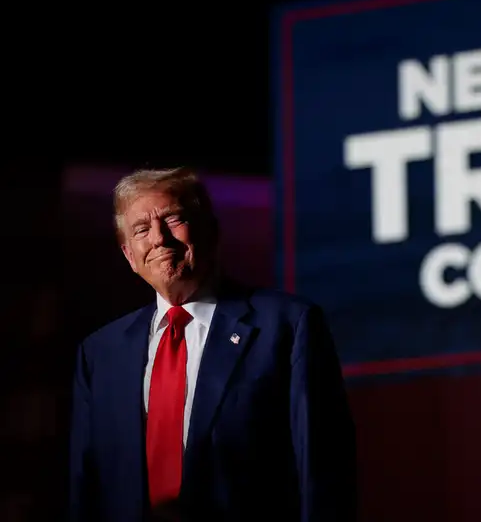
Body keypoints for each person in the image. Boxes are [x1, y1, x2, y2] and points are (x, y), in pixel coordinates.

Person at [69, 167, 357, 521]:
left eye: (172, 219)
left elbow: (323, 470)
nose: (159, 238)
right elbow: (86, 488)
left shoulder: (287, 326)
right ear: (129, 255)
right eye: (142, 230)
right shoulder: (100, 353)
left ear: (210, 230)